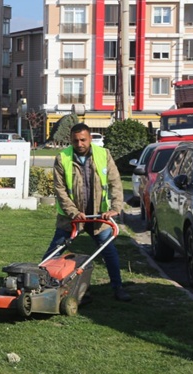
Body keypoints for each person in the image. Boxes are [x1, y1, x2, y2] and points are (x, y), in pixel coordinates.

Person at [43, 123, 131, 302]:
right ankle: (41, 282)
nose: (80, 144)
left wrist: (115, 207)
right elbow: (59, 190)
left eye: (83, 140)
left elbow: (115, 183)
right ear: (71, 141)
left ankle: (118, 287)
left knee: (109, 252)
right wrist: (73, 212)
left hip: (99, 217)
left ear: (90, 138)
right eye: (75, 141)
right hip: (71, 218)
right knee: (56, 251)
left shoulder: (103, 155)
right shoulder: (63, 158)